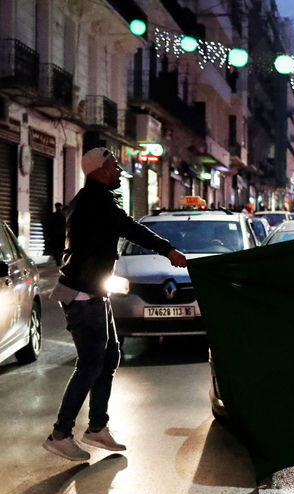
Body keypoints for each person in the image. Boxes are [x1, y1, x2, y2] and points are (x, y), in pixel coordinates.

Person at [44, 147, 188, 462]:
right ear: (100, 169)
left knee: (109, 358)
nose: (120, 170)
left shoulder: (89, 199)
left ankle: (97, 426)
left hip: (94, 292)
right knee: (91, 364)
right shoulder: (98, 202)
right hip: (84, 296)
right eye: (115, 165)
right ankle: (60, 434)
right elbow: (132, 229)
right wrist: (169, 251)